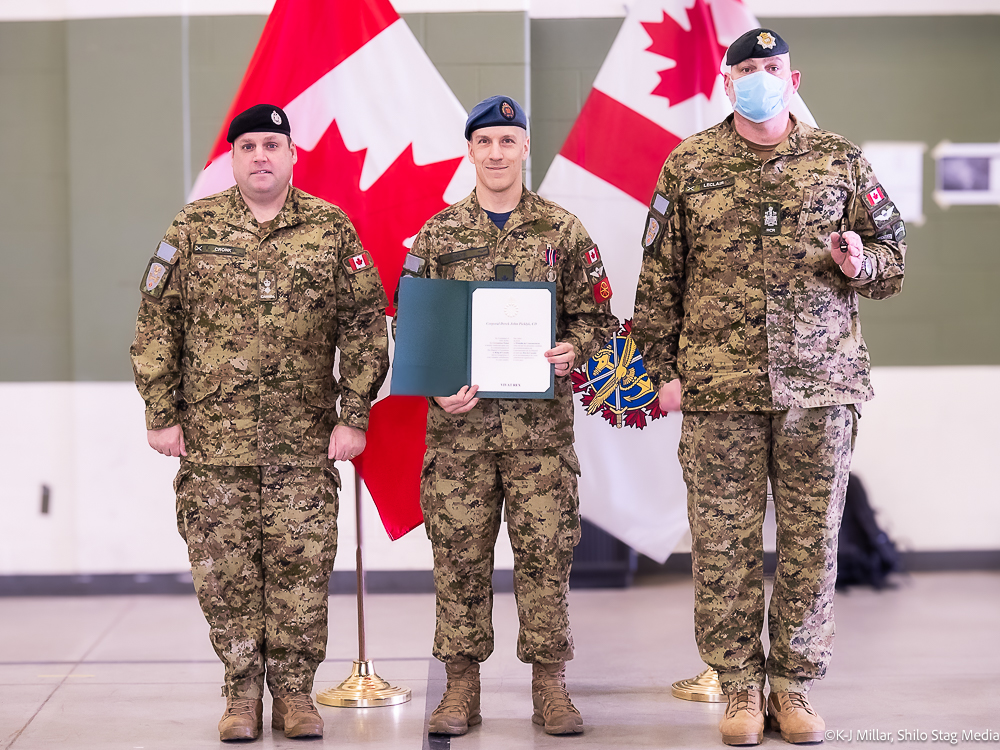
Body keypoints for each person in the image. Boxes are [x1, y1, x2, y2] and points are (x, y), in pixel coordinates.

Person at [632, 29, 905, 746]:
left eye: (771, 67)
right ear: (728, 83)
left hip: (821, 389)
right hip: (719, 391)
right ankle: (740, 690)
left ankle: (795, 687)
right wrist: (660, 373)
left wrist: (859, 264)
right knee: (723, 546)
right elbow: (659, 280)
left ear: (793, 77)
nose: (759, 77)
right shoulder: (690, 164)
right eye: (745, 68)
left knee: (812, 544)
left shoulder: (838, 159)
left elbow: (892, 258)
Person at [130, 104, 389, 742]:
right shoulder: (192, 228)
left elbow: (365, 327)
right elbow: (156, 322)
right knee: (224, 572)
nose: (261, 157)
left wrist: (353, 414)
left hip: (304, 442)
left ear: (292, 155)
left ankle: (296, 695)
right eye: (248, 146)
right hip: (214, 443)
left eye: (273, 145)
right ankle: (241, 695)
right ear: (233, 158)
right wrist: (161, 413)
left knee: (302, 568)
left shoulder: (330, 229)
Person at [395, 95, 617, 737]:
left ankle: (551, 687)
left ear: (526, 148)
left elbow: (599, 321)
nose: (497, 152)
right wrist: (437, 388)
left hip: (540, 439)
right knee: (459, 561)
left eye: (508, 140)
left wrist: (577, 349)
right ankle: (460, 687)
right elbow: (412, 329)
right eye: (485, 141)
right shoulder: (438, 235)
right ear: (471, 150)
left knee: (547, 558)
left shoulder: (564, 231)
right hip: (459, 437)